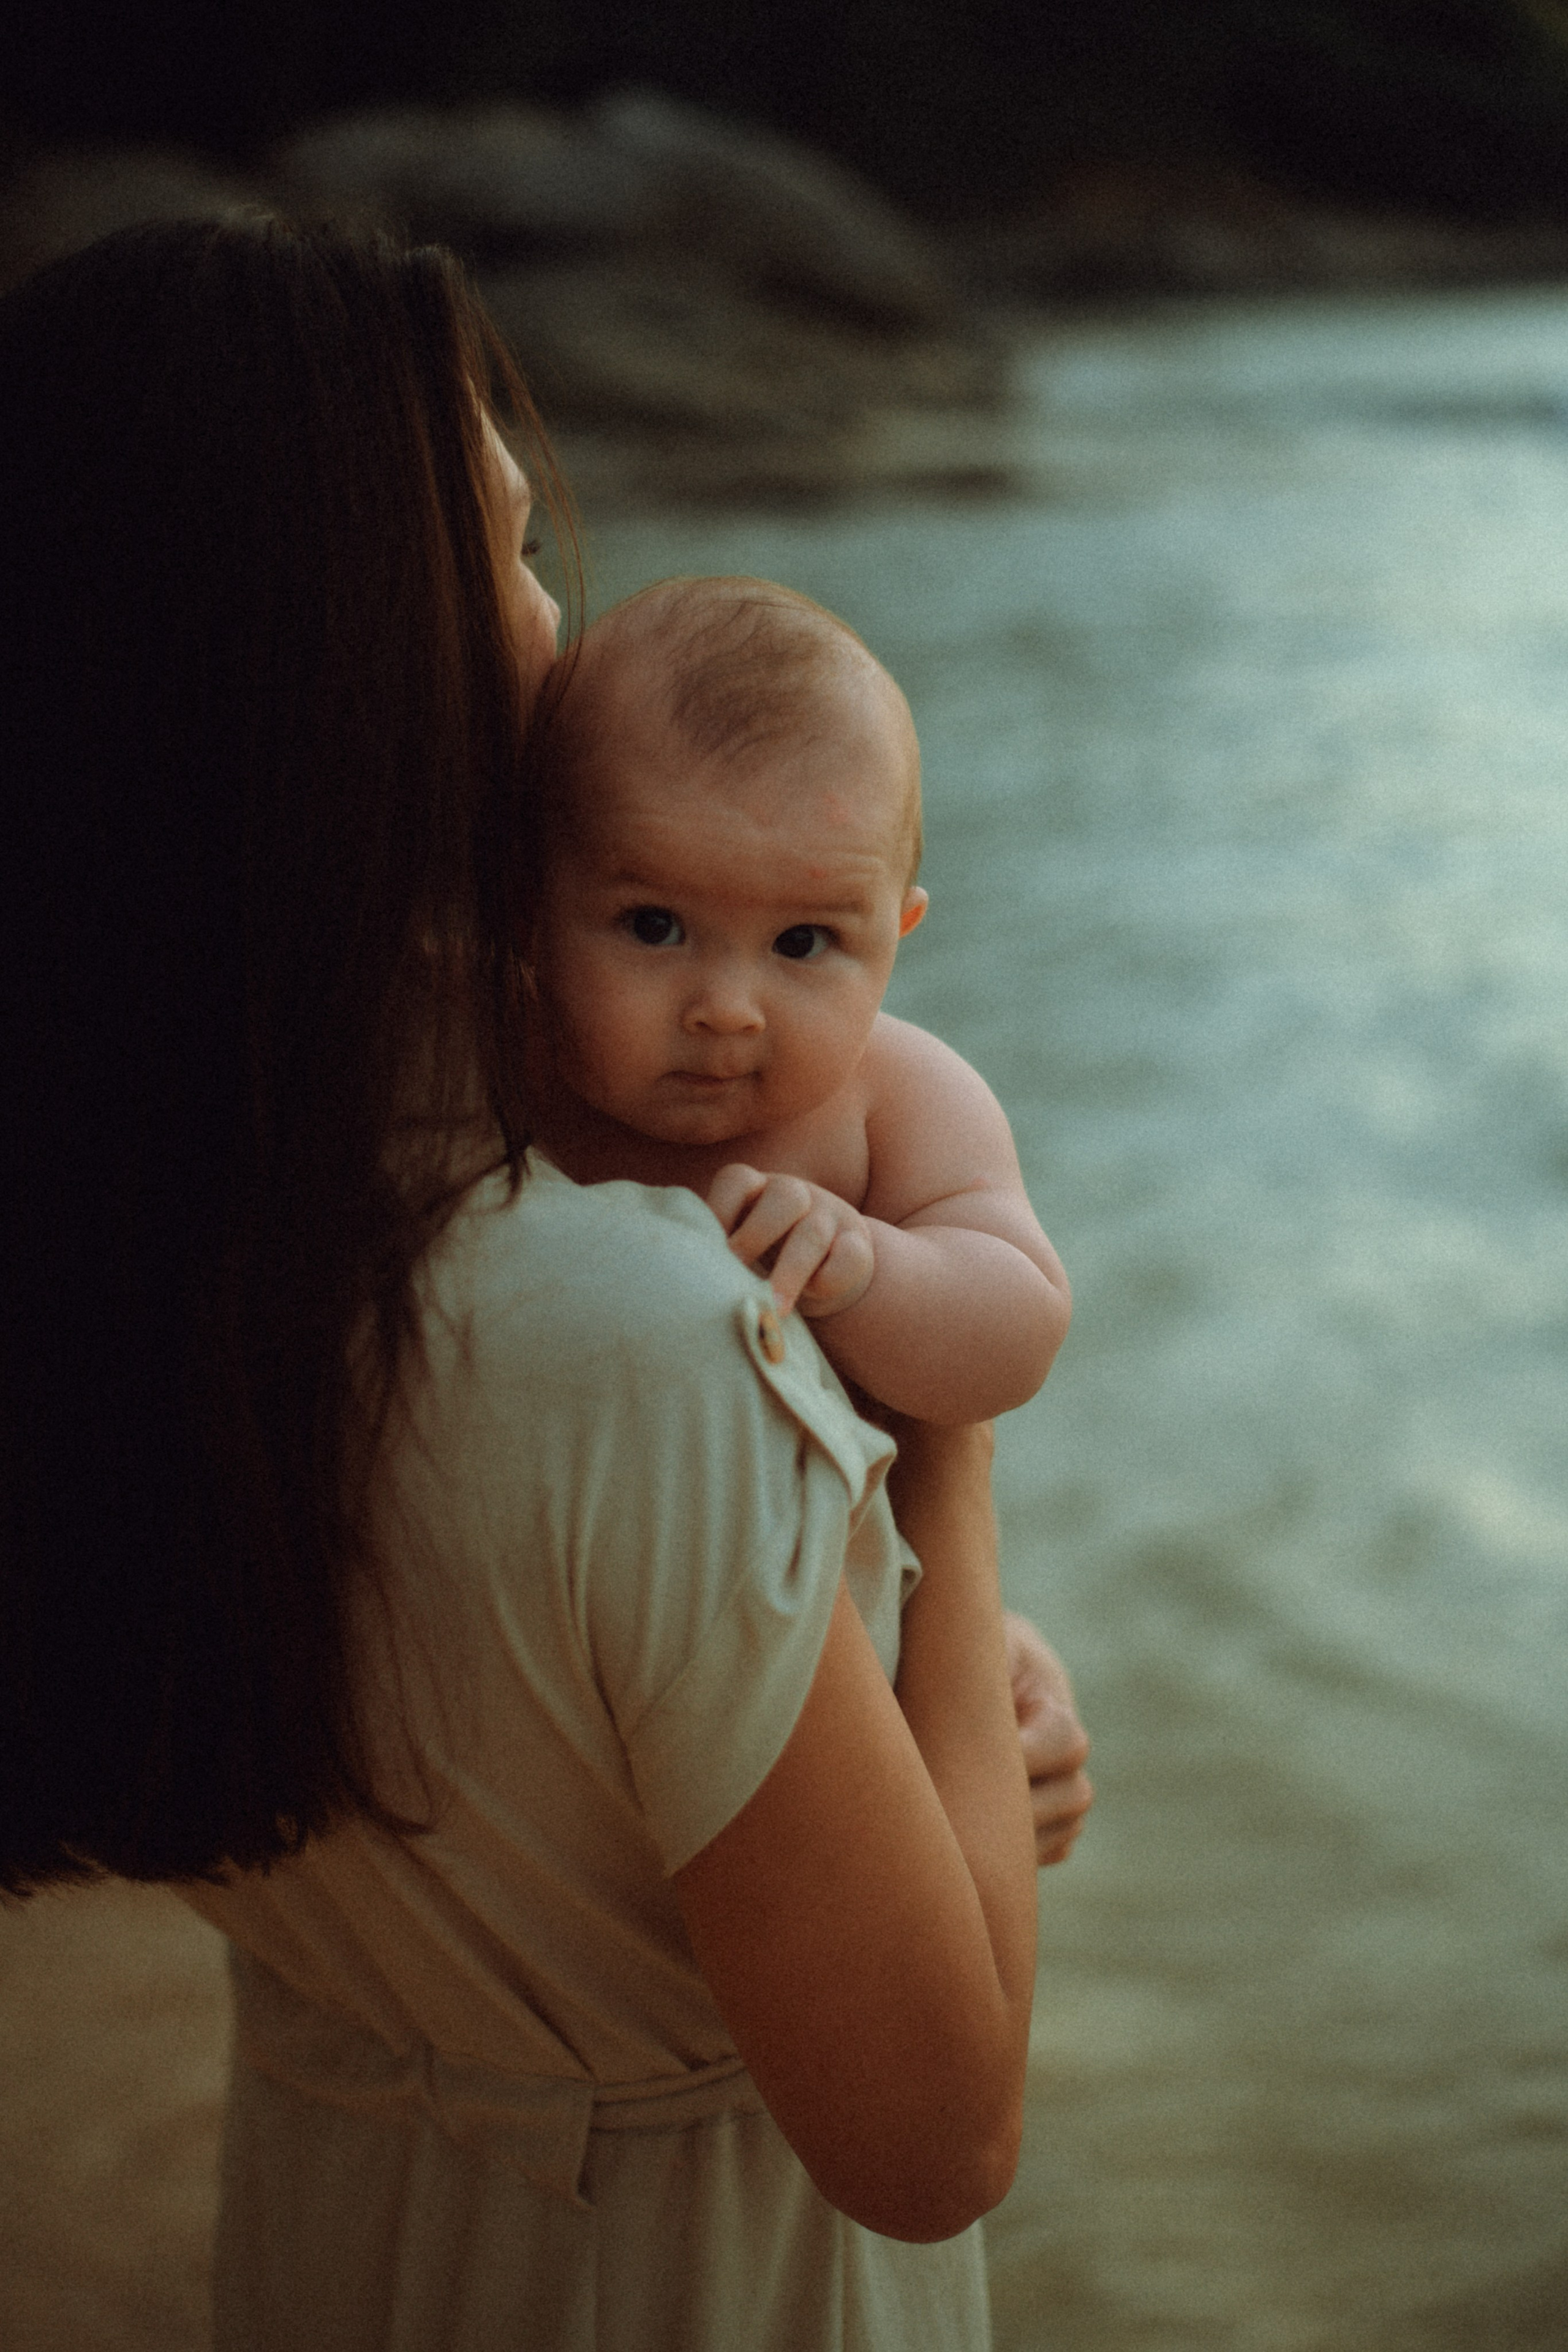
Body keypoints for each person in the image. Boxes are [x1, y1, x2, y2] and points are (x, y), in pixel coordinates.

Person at [0, 216, 1091, 2351]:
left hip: (332, 2234)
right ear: (332, 648)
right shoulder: (635, 1340)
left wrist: (903, 1681)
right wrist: (934, 1491)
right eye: (503, 559)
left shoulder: (126, 1236)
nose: (556, 628)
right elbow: (937, 2131)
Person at [524, 576, 1073, 1425]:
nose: (728, 1010)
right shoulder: (485, 1056)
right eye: (654, 926)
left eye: (801, 943)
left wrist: (869, 1274)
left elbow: (1020, 1335)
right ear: (525, 907)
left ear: (899, 932)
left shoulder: (896, 1100)